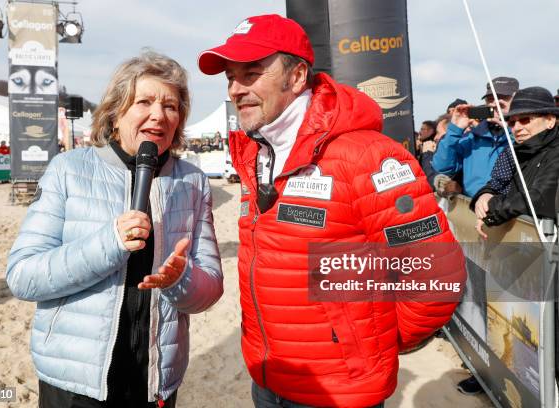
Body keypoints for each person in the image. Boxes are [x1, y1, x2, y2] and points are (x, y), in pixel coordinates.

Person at [198, 14, 464, 408]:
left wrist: (371, 345)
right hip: (268, 380)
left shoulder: (367, 156)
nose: (236, 89)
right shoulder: (254, 153)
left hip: (339, 392)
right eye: (230, 77)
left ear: (296, 77)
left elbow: (435, 275)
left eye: (251, 73)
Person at [6, 50, 224, 407]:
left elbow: (211, 289)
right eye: (145, 102)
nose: (159, 114)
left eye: (171, 106)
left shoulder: (193, 182)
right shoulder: (68, 170)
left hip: (154, 383)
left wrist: (180, 280)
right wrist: (110, 242)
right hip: (76, 385)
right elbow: (23, 276)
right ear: (115, 112)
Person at [471, 86, 559, 238]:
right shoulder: (514, 153)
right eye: (511, 123)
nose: (517, 128)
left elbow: (539, 197)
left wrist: (491, 210)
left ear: (550, 120)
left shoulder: (556, 151)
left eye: (525, 120)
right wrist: (484, 195)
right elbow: (497, 184)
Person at [432, 77, 519, 197]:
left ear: (516, 102)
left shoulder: (524, 134)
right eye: (490, 99)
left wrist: (510, 129)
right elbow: (443, 167)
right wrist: (455, 130)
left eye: (502, 99)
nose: (495, 103)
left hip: (510, 210)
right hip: (473, 207)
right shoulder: (472, 137)